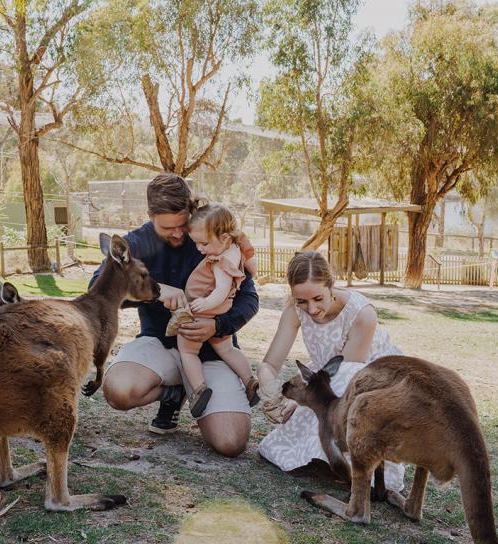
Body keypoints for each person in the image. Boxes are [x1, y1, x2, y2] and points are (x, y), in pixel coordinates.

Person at [90, 174, 258, 457]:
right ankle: (174, 391)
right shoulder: (137, 242)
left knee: (231, 443)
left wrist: (216, 325)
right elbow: (97, 289)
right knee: (118, 391)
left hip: (212, 351)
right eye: (168, 227)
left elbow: (250, 298)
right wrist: (154, 291)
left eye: (183, 224)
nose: (179, 234)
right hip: (160, 343)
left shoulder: (211, 233)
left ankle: (196, 390)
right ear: (150, 216)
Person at [255, 251, 406, 491]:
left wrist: (299, 401)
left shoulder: (362, 314)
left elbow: (346, 370)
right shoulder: (295, 310)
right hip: (325, 380)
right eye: (301, 301)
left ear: (331, 285)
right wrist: (269, 390)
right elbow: (269, 364)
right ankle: (320, 458)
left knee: (335, 392)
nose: (311, 309)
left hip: (369, 381)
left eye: (317, 298)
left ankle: (350, 462)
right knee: (280, 443)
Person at [174, 204, 260, 417]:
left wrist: (205, 304)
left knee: (187, 351)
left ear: (223, 237)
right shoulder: (235, 250)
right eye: (197, 244)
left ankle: (199, 390)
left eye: (204, 244)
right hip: (220, 312)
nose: (200, 249)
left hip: (204, 311)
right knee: (228, 349)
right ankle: (250, 381)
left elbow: (221, 290)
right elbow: (253, 268)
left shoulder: (219, 261)